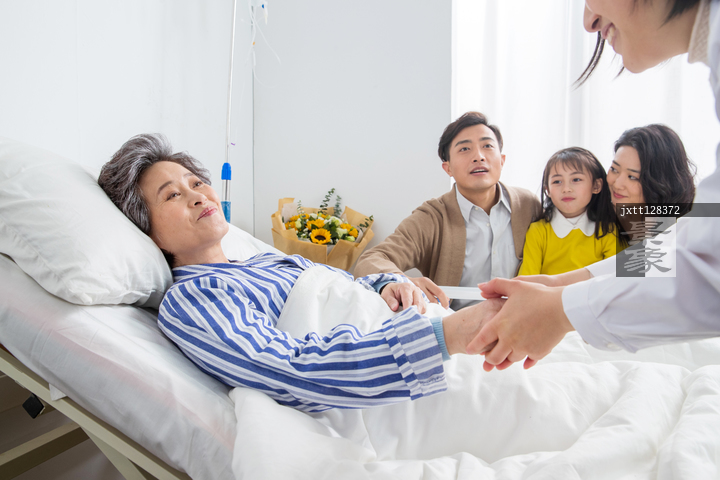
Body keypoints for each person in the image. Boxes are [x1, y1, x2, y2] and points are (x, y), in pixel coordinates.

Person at [98, 133, 505, 413]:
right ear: (147, 231)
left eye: (196, 182)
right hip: (415, 375)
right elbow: (292, 370)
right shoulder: (193, 298)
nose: (199, 196)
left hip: (423, 331)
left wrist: (389, 284)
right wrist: (448, 336)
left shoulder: (260, 261)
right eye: (172, 194)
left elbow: (344, 289)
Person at [468, 0, 718, 371]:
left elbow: (695, 264)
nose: (588, 21)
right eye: (615, 170)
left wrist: (560, 307)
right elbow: (660, 257)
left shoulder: (663, 216)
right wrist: (562, 284)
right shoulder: (616, 219)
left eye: (634, 176)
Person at [354, 112, 541, 310]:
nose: (478, 156)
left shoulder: (528, 205)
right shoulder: (432, 217)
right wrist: (401, 282)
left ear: (502, 160)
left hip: (522, 321)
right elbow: (371, 259)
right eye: (465, 149)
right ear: (448, 168)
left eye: (487, 146)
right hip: (457, 323)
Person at [518, 147, 618, 276]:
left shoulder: (608, 231)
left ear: (596, 185)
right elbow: (527, 281)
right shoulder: (538, 231)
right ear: (548, 190)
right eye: (557, 181)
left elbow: (614, 281)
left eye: (576, 180)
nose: (566, 189)